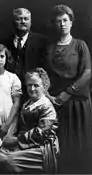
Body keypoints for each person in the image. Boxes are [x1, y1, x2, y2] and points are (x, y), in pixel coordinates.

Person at [44, 4, 92, 173]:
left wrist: (68, 92)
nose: (62, 24)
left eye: (65, 20)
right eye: (58, 21)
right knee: (60, 143)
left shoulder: (80, 45)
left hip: (77, 102)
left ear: (71, 22)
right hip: (57, 103)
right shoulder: (49, 47)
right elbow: (45, 74)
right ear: (54, 24)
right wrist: (48, 96)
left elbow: (87, 73)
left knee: (79, 143)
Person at [0, 68, 59, 174]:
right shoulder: (28, 103)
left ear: (44, 86)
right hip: (23, 142)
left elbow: (41, 133)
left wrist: (16, 140)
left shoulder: (46, 106)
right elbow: (19, 122)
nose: (32, 89)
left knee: (7, 162)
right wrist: (9, 135)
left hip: (41, 147)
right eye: (29, 85)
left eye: (36, 85)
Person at [2, 8, 47, 102]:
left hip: (33, 91)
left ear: (30, 22)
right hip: (9, 92)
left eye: (26, 19)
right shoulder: (4, 43)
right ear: (13, 22)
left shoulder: (41, 42)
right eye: (19, 19)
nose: (23, 22)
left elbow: (45, 69)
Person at [0, 44, 22, 137]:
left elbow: (16, 103)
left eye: (2, 56)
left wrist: (7, 125)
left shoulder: (12, 78)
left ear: (7, 58)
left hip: (9, 121)